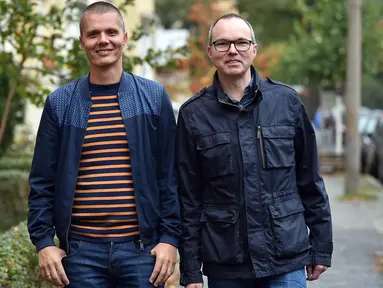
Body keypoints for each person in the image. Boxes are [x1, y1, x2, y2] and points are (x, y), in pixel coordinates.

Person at [27, 2, 181, 287]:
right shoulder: (60, 103)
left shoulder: (153, 96)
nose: (103, 40)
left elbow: (169, 175)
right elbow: (41, 182)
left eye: (111, 32)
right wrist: (44, 242)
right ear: (82, 42)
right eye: (94, 34)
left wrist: (170, 238)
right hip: (80, 254)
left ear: (125, 37)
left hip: (141, 252)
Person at [176, 13, 333, 288]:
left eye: (241, 42)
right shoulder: (193, 115)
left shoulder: (287, 103)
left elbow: (310, 181)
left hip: (285, 258)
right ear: (210, 51)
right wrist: (190, 269)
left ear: (254, 49)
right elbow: (189, 198)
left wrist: (321, 245)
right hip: (226, 264)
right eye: (223, 43)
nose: (233, 50)